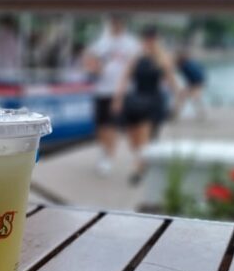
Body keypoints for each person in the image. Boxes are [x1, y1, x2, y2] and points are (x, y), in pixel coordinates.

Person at [112, 25, 179, 185]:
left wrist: (177, 100)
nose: (149, 42)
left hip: (153, 101)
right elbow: (125, 78)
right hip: (135, 99)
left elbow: (171, 81)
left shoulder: (163, 58)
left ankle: (138, 169)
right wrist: (118, 99)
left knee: (144, 137)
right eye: (147, 39)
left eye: (151, 39)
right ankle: (143, 161)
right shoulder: (136, 57)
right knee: (132, 139)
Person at [83, 15, 139, 176]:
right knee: (101, 126)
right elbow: (89, 61)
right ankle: (103, 151)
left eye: (118, 21)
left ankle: (109, 157)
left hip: (119, 91)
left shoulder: (130, 43)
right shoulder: (102, 42)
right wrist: (93, 67)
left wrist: (120, 94)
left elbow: (131, 70)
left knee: (112, 126)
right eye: (113, 21)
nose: (115, 24)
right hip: (100, 89)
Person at [174, 46, 207, 120]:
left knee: (186, 97)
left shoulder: (184, 66)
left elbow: (192, 76)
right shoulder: (190, 62)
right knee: (191, 97)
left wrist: (190, 85)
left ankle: (175, 114)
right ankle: (201, 113)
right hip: (199, 81)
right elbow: (202, 68)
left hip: (196, 82)